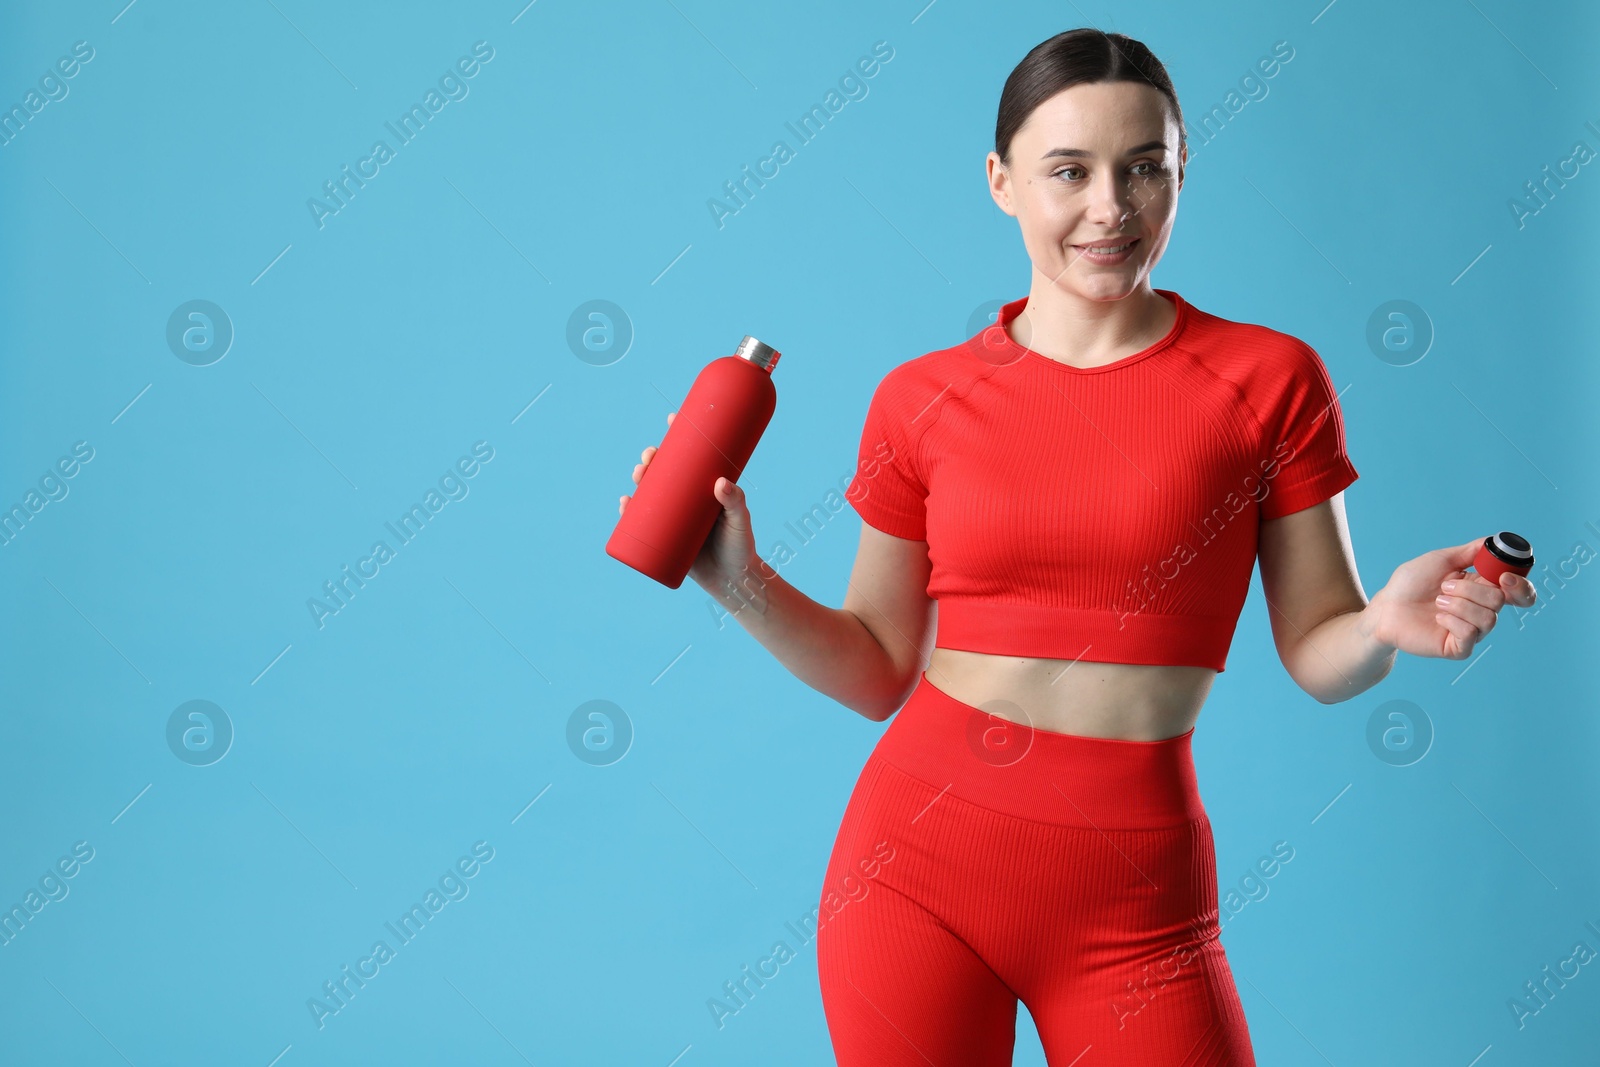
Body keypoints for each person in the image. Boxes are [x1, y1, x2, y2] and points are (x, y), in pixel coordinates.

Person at [619, 27, 1537, 1066]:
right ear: (1001, 181)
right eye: (1070, 171)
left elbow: (1319, 650)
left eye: (1146, 168)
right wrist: (737, 581)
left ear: (1181, 172)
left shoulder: (1269, 380)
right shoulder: (920, 399)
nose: (1111, 207)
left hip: (1136, 898)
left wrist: (1378, 623)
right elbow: (878, 666)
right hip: (911, 866)